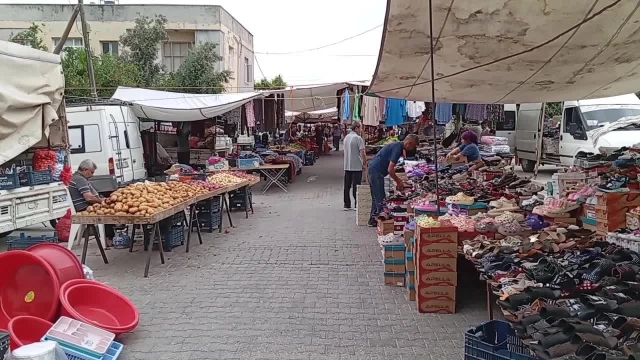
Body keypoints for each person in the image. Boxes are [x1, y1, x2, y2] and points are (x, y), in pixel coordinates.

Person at [367, 134, 418, 226]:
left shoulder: (397, 146)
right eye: (413, 146)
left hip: (373, 169)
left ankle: (373, 220)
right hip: (376, 171)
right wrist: (399, 181)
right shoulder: (397, 149)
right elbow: (390, 169)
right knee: (380, 198)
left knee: (376, 197)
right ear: (409, 143)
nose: (412, 149)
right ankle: (383, 221)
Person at [68, 160, 115, 247]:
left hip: (85, 206)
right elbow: (89, 198)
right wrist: (102, 200)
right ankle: (109, 239)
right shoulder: (79, 179)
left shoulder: (77, 177)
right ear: (85, 170)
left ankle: (111, 237)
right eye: (91, 172)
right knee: (108, 212)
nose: (92, 175)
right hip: (84, 208)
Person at [343, 122, 367, 210]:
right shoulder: (358, 138)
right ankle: (357, 204)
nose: (361, 130)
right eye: (360, 128)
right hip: (356, 165)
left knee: (347, 186)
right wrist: (364, 163)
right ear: (356, 128)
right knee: (356, 186)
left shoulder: (346, 137)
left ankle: (346, 204)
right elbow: (363, 153)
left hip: (347, 165)